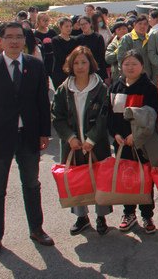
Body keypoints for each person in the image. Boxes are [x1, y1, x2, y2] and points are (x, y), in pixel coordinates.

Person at [0, 22, 54, 261]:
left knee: (32, 185)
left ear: (25, 40)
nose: (15, 41)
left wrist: (44, 133)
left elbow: (42, 102)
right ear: (0, 40)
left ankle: (37, 229)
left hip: (28, 136)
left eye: (19, 36)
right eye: (9, 37)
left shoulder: (35, 65)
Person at [51, 46, 112, 235]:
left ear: (90, 64)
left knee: (99, 179)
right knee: (77, 180)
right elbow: (57, 116)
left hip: (96, 143)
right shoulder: (63, 89)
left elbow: (104, 115)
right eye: (76, 63)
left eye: (83, 62)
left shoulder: (100, 88)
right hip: (73, 144)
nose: (80, 66)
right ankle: (81, 217)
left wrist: (91, 139)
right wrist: (70, 137)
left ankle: (101, 216)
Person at [108, 50, 158, 234]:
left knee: (145, 178)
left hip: (142, 143)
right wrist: (115, 134)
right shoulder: (116, 86)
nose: (130, 67)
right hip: (121, 142)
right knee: (126, 178)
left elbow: (151, 116)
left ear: (142, 66)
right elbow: (109, 114)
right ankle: (128, 213)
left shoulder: (148, 88)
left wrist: (135, 136)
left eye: (134, 64)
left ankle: (147, 214)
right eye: (126, 64)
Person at [117, 14, 152, 79]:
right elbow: (121, 57)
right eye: (140, 23)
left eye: (145, 24)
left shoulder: (150, 38)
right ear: (134, 25)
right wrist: (124, 74)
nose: (142, 26)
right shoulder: (127, 38)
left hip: (147, 75)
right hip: (131, 75)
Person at [75, 16, 108, 81]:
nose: (83, 26)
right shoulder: (78, 39)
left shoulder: (98, 37)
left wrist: (105, 75)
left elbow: (102, 56)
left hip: (97, 69)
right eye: (81, 24)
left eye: (85, 23)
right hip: (83, 70)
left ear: (90, 24)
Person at [51, 17, 78, 89]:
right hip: (59, 71)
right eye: (66, 26)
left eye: (70, 26)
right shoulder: (55, 40)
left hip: (72, 71)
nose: (69, 28)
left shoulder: (74, 40)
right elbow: (60, 56)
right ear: (60, 27)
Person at [33, 12, 57, 78]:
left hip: (52, 58)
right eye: (44, 20)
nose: (46, 22)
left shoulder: (52, 31)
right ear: (38, 21)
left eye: (47, 20)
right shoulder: (36, 34)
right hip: (43, 59)